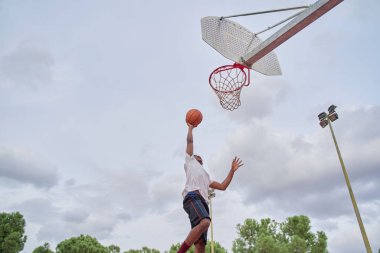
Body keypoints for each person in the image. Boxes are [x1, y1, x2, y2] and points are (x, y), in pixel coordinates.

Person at [177, 123, 244, 253]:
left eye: (201, 159)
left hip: (202, 202)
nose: (199, 158)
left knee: (201, 244)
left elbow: (223, 186)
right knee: (205, 222)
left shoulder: (206, 177)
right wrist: (190, 128)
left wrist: (232, 171)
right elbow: (190, 141)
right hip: (192, 196)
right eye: (197, 157)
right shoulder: (190, 162)